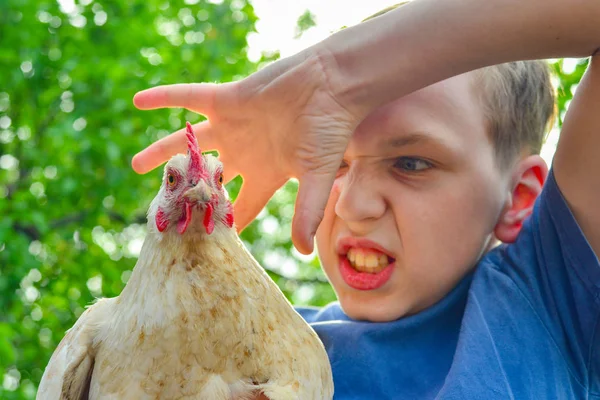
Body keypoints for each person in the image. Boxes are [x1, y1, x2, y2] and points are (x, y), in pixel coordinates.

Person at [130, 0, 600, 398]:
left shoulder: (547, 299)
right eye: (334, 160)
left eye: (410, 164)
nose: (350, 206)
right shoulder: (244, 351)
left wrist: (339, 73)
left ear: (518, 197)